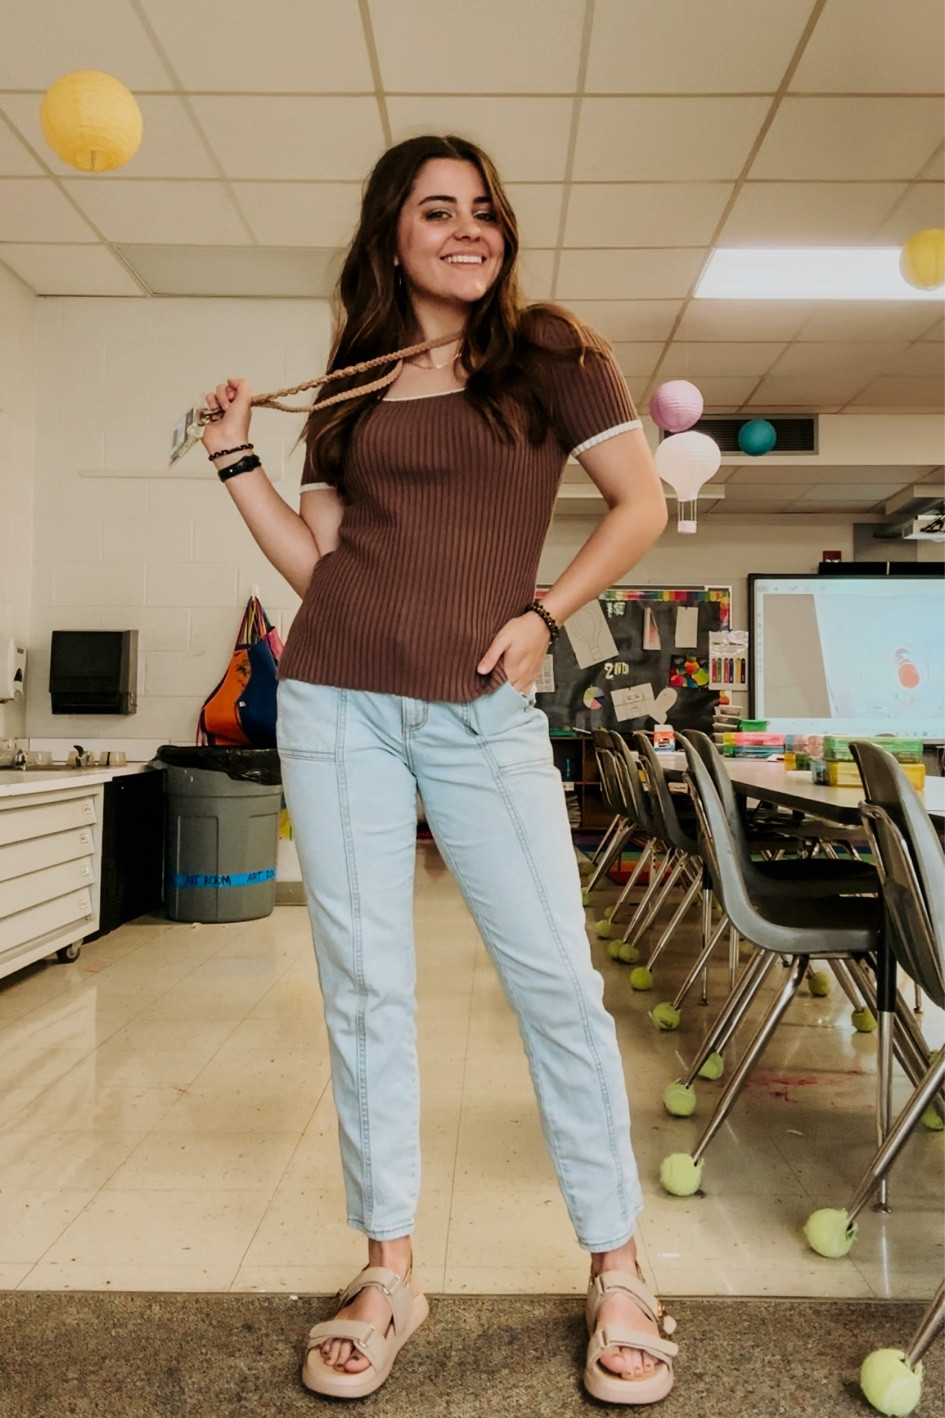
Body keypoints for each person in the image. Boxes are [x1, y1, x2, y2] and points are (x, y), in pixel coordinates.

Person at [202, 133, 675, 1406]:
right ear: (391, 235)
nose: (469, 229)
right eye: (437, 210)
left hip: (478, 707)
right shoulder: (350, 386)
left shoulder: (550, 351)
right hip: (336, 702)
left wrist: (546, 612)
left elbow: (640, 504)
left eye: (485, 210)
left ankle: (619, 1268)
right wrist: (237, 457)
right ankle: (389, 1269)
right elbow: (322, 570)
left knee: (558, 984)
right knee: (365, 988)